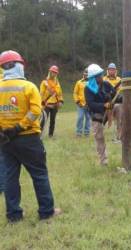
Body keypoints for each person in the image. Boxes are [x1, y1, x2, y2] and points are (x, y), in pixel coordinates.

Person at [0, 50, 60, 222]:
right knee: (39, 174)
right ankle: (46, 211)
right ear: (19, 66)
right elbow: (35, 111)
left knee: (10, 177)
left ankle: (13, 215)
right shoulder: (29, 87)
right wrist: (19, 127)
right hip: (28, 138)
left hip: (5, 140)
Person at [85, 64, 116, 166]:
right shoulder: (88, 89)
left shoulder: (106, 84)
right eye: (98, 75)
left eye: (101, 74)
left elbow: (114, 92)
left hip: (109, 111)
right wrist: (104, 105)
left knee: (120, 108)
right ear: (93, 78)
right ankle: (103, 160)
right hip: (97, 115)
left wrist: (111, 98)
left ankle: (121, 135)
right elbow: (91, 104)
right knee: (99, 137)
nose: (101, 77)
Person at [40, 65, 64, 137]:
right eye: (52, 72)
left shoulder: (57, 83)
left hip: (55, 104)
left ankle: (51, 135)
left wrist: (60, 101)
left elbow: (59, 93)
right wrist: (43, 104)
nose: (54, 73)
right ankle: (40, 134)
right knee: (44, 120)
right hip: (47, 104)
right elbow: (41, 94)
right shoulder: (44, 82)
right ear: (49, 72)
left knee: (52, 120)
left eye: (55, 72)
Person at [103, 63, 122, 142]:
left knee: (119, 117)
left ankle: (119, 133)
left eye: (113, 70)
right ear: (108, 70)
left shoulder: (119, 80)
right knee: (103, 118)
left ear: (115, 71)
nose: (112, 71)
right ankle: (100, 129)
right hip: (106, 101)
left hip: (116, 101)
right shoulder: (104, 79)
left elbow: (120, 91)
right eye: (110, 69)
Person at [73, 69, 90, 137]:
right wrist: (77, 101)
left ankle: (87, 133)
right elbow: (75, 93)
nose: (86, 74)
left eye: (88, 73)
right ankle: (79, 132)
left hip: (89, 104)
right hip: (80, 104)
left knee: (88, 118)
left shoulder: (91, 82)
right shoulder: (79, 82)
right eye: (85, 72)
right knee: (80, 117)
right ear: (83, 73)